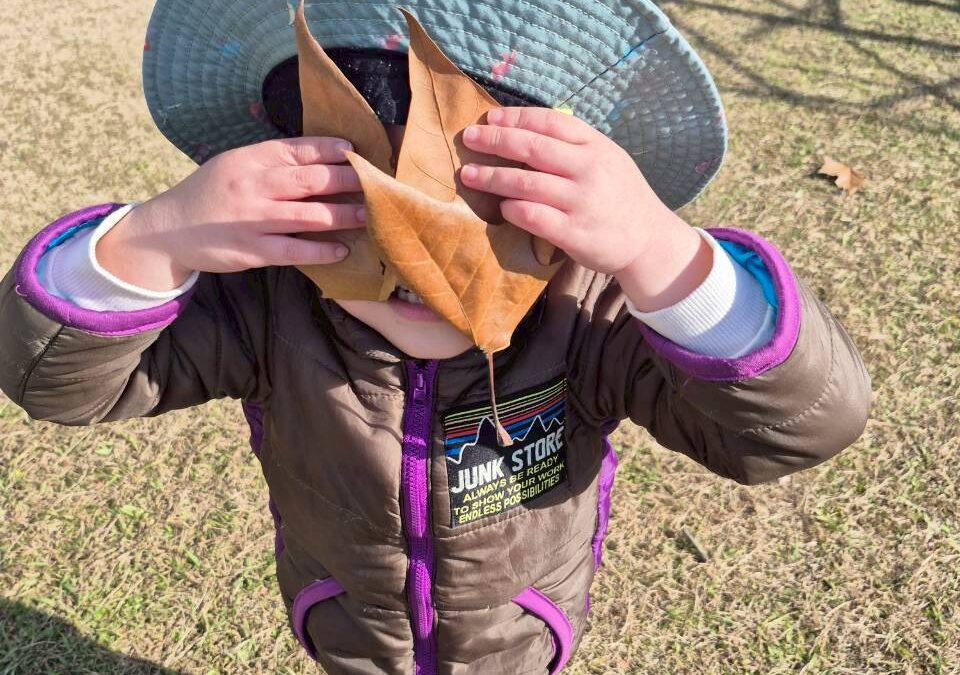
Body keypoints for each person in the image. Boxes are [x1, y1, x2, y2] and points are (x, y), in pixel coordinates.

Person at [0, 1, 870, 673]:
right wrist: (150, 240)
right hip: (345, 622)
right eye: (364, 224)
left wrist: (661, 256)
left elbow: (792, 428)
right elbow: (56, 381)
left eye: (480, 221)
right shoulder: (266, 303)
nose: (417, 275)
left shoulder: (589, 312)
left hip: (523, 631)